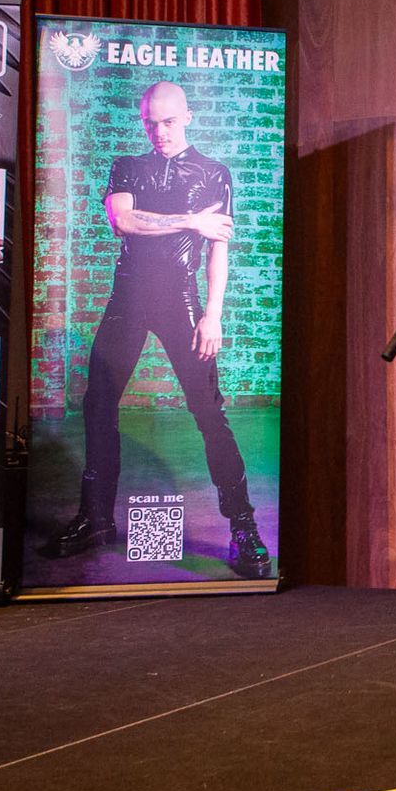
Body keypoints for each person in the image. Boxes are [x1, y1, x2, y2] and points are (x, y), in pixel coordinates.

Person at [42, 80, 269, 580]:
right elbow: (124, 221)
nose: (159, 132)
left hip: (180, 299)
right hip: (128, 297)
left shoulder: (214, 173)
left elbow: (218, 250)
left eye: (167, 122)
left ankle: (243, 526)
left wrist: (213, 314)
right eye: (150, 123)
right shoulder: (128, 165)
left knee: (209, 412)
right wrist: (191, 220)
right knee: (98, 404)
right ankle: (95, 519)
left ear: (187, 116)